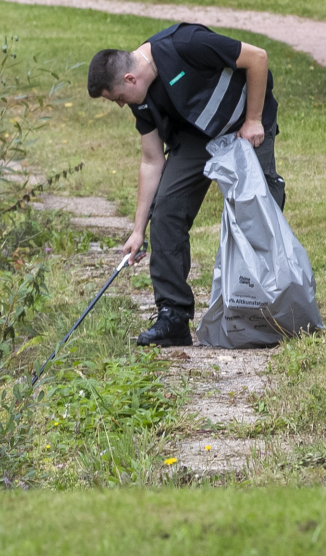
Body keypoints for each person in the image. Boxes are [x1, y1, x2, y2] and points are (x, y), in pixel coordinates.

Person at [87, 23, 286, 347]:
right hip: (196, 137)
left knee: (259, 211)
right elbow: (152, 161)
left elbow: (258, 58)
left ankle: (271, 310)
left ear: (129, 79)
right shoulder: (142, 101)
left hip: (246, 118)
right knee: (165, 212)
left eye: (119, 98)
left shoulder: (185, 44)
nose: (122, 105)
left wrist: (253, 119)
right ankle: (173, 318)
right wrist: (138, 230)